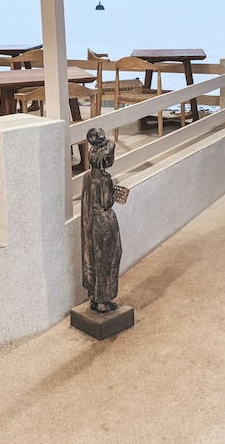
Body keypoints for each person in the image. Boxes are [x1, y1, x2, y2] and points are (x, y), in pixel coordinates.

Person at [82, 128, 121, 313]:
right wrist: (115, 193)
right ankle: (102, 299)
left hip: (92, 223)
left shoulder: (88, 177)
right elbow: (107, 203)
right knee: (108, 258)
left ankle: (94, 296)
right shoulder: (105, 180)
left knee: (96, 258)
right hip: (104, 222)